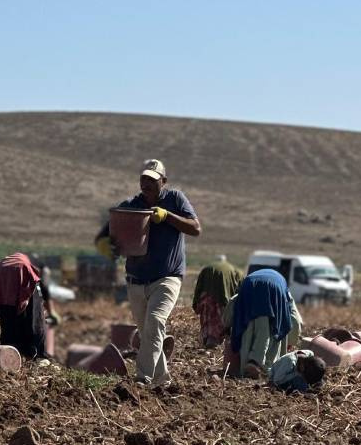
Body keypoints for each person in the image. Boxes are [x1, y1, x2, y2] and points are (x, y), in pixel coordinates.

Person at [96, 159, 201, 386]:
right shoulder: (130, 205)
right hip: (136, 280)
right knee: (148, 334)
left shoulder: (175, 200)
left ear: (163, 181)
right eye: (144, 179)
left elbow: (195, 228)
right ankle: (163, 381)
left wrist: (168, 217)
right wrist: (106, 246)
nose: (147, 184)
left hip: (167, 278)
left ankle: (142, 378)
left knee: (154, 322)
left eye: (153, 180)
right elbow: (105, 236)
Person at [226, 269, 304, 380]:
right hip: (274, 289)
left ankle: (249, 365)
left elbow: (233, 302)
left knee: (249, 328)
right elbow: (295, 319)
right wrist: (291, 340)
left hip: (250, 286)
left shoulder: (251, 280)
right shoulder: (286, 292)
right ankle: (264, 367)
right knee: (274, 330)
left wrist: (227, 323)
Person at [0, 252, 58, 365]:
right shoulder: (36, 270)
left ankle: (9, 354)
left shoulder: (22, 261)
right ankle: (36, 354)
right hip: (21, 269)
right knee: (34, 318)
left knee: (8, 315)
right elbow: (45, 293)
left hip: (2, 273)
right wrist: (52, 312)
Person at [193, 256, 244, 348]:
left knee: (207, 318)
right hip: (223, 298)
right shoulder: (234, 270)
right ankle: (216, 341)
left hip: (207, 297)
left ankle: (209, 339)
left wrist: (196, 302)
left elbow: (199, 286)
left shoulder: (207, 268)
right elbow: (238, 288)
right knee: (221, 320)